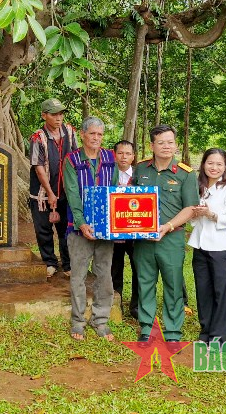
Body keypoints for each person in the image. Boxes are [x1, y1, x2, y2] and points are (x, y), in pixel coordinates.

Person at [133, 124, 197, 343]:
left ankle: (172, 331)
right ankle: (146, 327)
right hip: (143, 239)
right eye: (161, 142)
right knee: (145, 282)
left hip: (171, 237)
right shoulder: (140, 169)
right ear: (152, 145)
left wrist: (167, 226)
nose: (166, 146)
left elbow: (190, 208)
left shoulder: (186, 174)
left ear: (176, 144)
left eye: (170, 142)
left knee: (173, 283)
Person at [62, 117, 117, 341]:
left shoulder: (109, 157)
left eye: (100, 135)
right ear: (83, 135)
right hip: (78, 228)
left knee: (104, 275)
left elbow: (113, 191)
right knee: (79, 276)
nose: (96, 138)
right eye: (92, 134)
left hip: (104, 229)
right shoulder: (72, 160)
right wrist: (81, 222)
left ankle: (100, 320)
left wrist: (114, 224)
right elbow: (72, 194)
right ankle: (78, 322)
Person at [188, 148, 226, 346]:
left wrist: (211, 214)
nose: (214, 168)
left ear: (225, 167)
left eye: (219, 164)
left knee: (221, 293)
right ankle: (205, 331)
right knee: (203, 291)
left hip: (221, 248)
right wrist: (196, 214)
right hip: (200, 245)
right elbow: (192, 218)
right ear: (203, 164)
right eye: (210, 163)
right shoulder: (197, 186)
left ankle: (219, 337)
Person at [29, 98, 77, 278]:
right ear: (44, 115)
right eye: (54, 114)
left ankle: (67, 264)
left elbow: (75, 157)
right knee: (43, 230)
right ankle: (49, 262)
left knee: (66, 229)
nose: (59, 118)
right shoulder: (37, 137)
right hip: (42, 194)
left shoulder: (70, 132)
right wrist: (49, 193)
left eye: (61, 114)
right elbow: (39, 167)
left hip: (65, 190)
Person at [110, 139, 139, 320]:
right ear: (114, 155)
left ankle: (136, 306)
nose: (124, 157)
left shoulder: (139, 175)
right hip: (113, 230)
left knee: (139, 267)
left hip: (135, 231)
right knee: (114, 267)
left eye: (128, 154)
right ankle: (115, 304)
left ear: (133, 157)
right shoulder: (107, 174)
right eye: (120, 153)